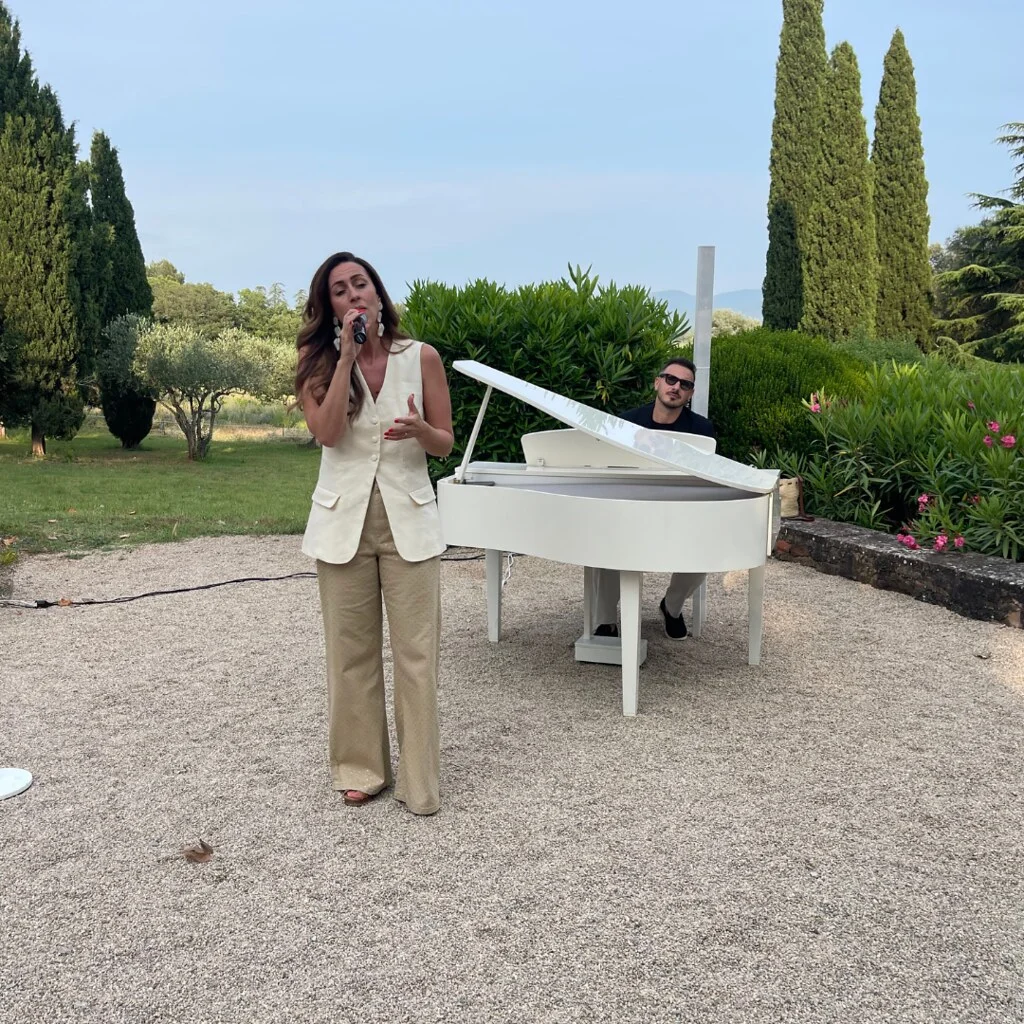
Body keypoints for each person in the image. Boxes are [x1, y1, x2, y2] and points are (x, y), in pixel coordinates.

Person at [296, 252, 454, 816]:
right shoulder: (316, 364)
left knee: (417, 655)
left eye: (360, 283)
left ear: (379, 294)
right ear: (329, 306)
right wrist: (343, 362)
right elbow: (329, 434)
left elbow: (445, 443)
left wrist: (421, 430)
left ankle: (418, 778)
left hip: (408, 518)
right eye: (339, 290)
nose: (353, 294)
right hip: (343, 522)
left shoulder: (423, 357)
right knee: (350, 655)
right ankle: (362, 768)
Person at [592, 356, 715, 641]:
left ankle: (671, 608)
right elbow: (610, 470)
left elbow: (704, 478)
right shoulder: (626, 422)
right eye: (670, 380)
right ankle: (606, 621)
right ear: (657, 382)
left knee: (705, 551)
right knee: (603, 543)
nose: (676, 387)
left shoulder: (703, 430)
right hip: (630, 507)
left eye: (685, 384)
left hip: (679, 511)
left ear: (691, 393)